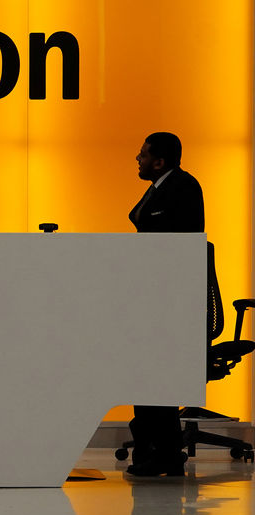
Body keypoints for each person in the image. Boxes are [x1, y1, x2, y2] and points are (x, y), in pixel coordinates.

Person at [126, 132, 205, 477]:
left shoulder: (182, 187)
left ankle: (164, 452)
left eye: (143, 155)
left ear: (159, 160)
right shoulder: (160, 185)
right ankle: (153, 449)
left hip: (169, 297)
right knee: (145, 370)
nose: (138, 160)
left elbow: (176, 243)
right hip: (152, 294)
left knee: (155, 372)